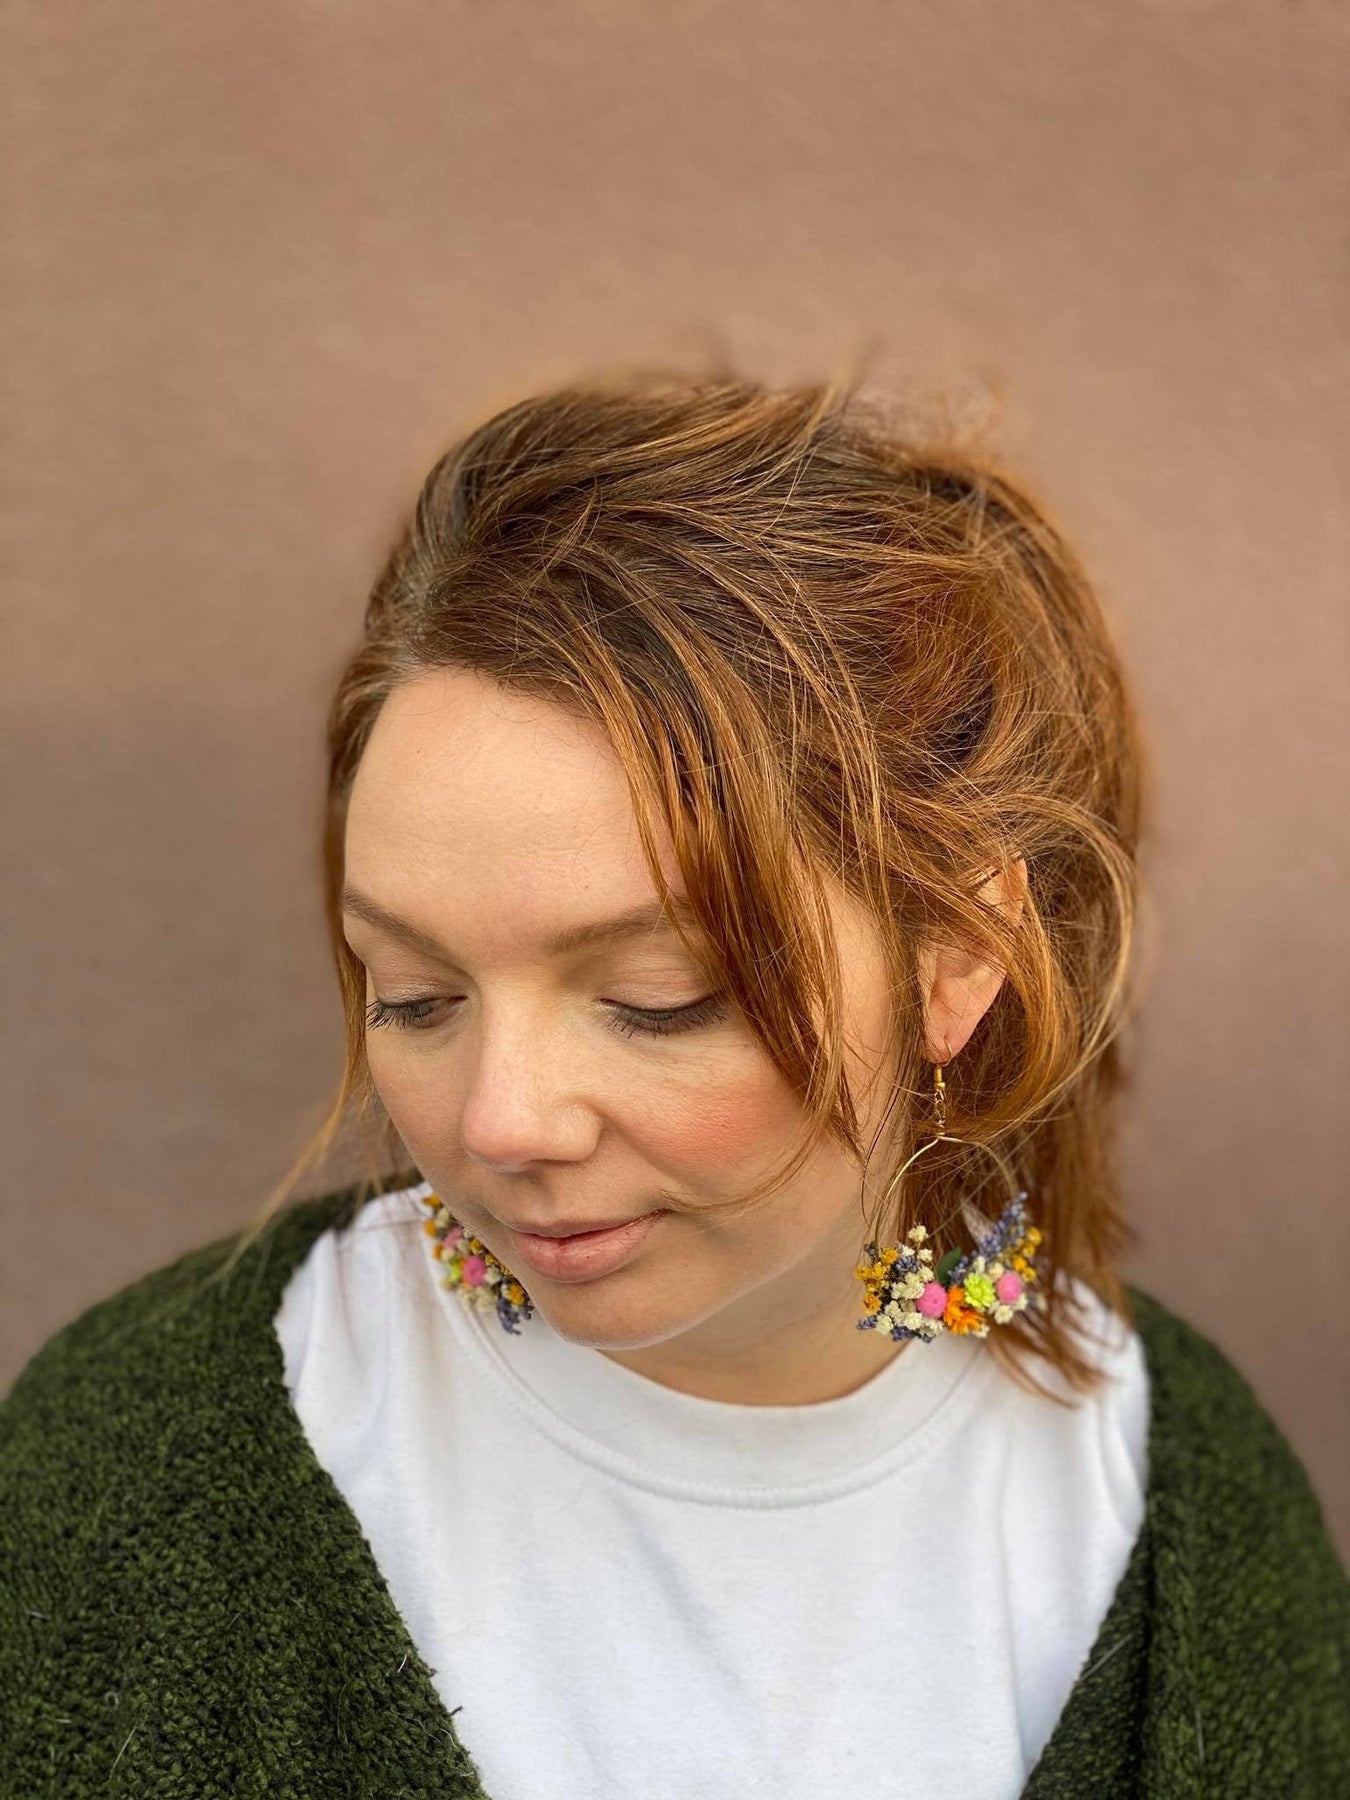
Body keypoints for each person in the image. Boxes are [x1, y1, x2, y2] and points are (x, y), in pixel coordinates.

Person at [2, 372, 1346, 1800]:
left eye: (656, 1000)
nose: (499, 1123)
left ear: (957, 956)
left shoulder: (1183, 1511)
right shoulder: (124, 1463)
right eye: (415, 996)